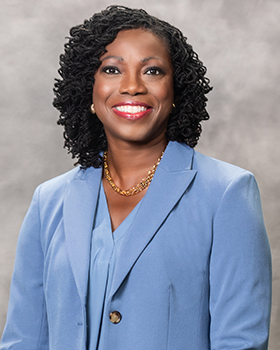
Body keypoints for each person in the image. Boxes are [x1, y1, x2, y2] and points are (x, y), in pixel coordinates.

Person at [0, 5, 271, 350]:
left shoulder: (227, 194)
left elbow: (239, 342)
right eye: (112, 69)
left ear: (175, 92)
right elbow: (24, 339)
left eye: (152, 71)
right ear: (89, 90)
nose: (131, 86)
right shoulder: (48, 201)